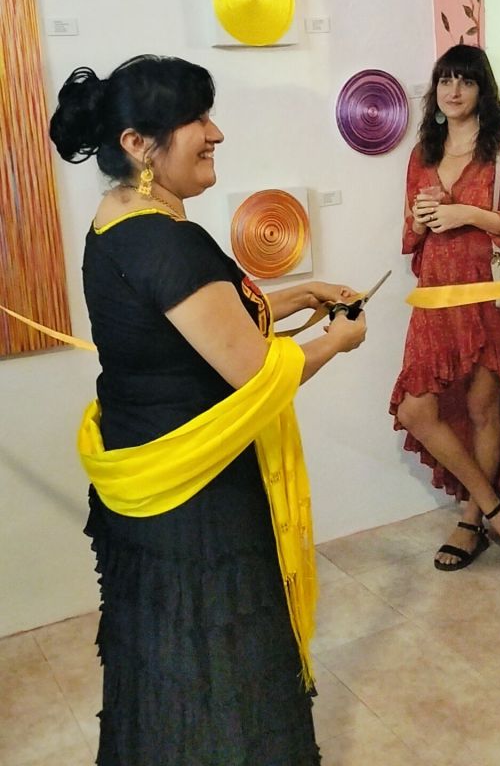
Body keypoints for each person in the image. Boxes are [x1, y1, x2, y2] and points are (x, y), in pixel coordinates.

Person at [49, 54, 367, 766]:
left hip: (146, 478)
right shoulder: (169, 240)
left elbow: (187, 324)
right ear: (138, 143)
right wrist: (336, 340)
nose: (215, 132)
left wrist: (296, 294)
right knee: (224, 662)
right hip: (198, 495)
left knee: (165, 656)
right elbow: (255, 372)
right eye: (195, 119)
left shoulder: (117, 220)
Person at [390, 44, 500, 571]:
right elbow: (411, 233)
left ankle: (472, 520)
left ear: (483, 89)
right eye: (445, 80)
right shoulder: (423, 151)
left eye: (466, 81)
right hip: (437, 295)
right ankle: (496, 506)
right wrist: (422, 219)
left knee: (482, 409)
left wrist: (469, 213)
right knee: (416, 408)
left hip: (489, 293)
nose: (453, 91)